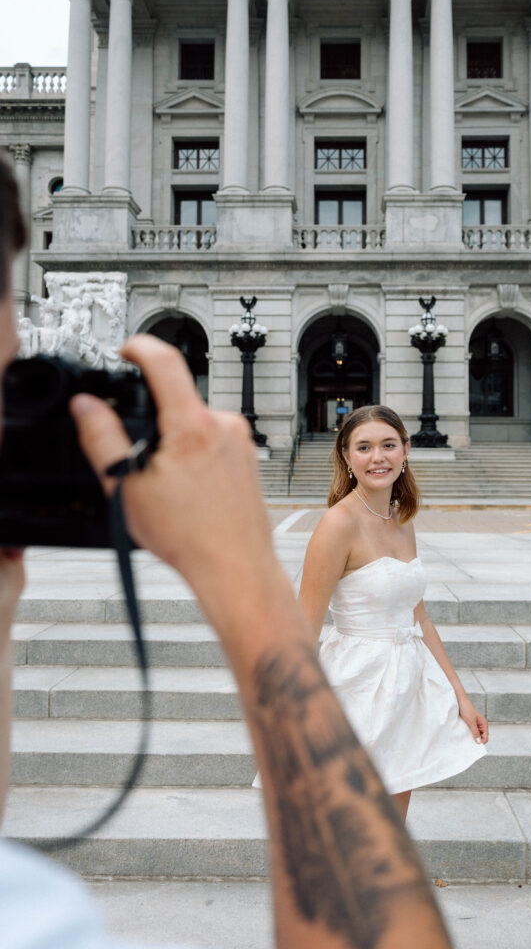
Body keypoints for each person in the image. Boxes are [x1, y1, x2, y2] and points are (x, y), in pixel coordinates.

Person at [0, 154, 454, 948]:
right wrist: (240, 580)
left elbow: (415, 610)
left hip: (400, 679)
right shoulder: (40, 915)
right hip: (355, 683)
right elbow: (371, 928)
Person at [296, 405, 488, 822]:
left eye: (388, 445)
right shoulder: (336, 525)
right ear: (346, 457)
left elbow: (419, 618)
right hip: (355, 685)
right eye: (363, 447)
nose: (377, 457)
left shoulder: (401, 518)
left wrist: (460, 696)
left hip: (404, 684)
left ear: (405, 451)